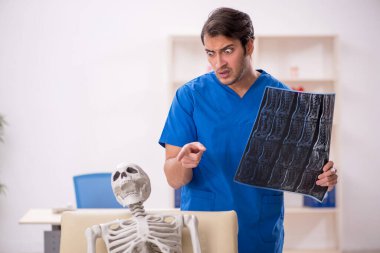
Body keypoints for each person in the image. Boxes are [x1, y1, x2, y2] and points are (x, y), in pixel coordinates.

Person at [159, 7, 338, 253]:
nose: (218, 63)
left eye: (227, 51)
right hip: (205, 229)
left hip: (260, 231)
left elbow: (307, 174)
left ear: (249, 46)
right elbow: (173, 177)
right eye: (211, 53)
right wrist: (184, 163)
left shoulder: (285, 99)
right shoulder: (189, 97)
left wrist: (323, 179)